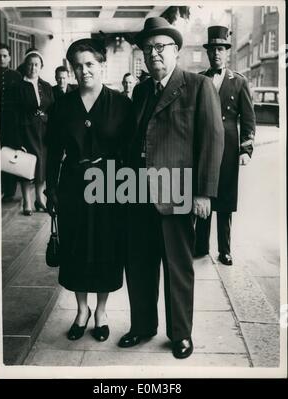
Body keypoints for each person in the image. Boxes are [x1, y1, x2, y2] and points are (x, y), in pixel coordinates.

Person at [118, 17, 224, 359]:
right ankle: (142, 326)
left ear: (176, 51)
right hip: (137, 194)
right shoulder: (141, 90)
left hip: (177, 193)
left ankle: (180, 334)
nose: (154, 54)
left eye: (161, 47)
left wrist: (203, 193)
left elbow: (212, 141)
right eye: (148, 48)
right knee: (139, 264)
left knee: (178, 268)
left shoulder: (197, 86)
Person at [45, 38, 133, 342]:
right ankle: (81, 310)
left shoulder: (121, 104)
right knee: (77, 248)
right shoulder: (63, 106)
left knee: (107, 248)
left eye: (90, 64)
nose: (84, 71)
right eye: (78, 66)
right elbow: (53, 151)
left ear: (102, 66)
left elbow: (131, 153)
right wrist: (50, 190)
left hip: (109, 188)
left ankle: (101, 311)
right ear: (71, 69)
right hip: (72, 189)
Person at [194, 26, 256, 266]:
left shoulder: (239, 82)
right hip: (204, 147)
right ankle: (200, 246)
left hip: (229, 148)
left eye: (220, 49)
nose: (216, 54)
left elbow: (248, 118)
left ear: (226, 53)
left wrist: (246, 149)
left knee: (226, 201)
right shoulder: (200, 80)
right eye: (212, 50)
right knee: (203, 192)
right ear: (208, 53)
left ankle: (225, 250)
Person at [17, 50, 54, 215]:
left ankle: (40, 198)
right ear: (25, 66)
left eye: (36, 64)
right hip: (26, 131)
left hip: (44, 132)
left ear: (41, 67)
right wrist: (17, 141)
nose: (33, 67)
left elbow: (52, 108)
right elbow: (14, 114)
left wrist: (45, 116)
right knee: (26, 165)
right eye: (30, 64)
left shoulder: (46, 86)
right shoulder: (18, 86)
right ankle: (27, 201)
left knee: (42, 165)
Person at [0, 43, 22, 201]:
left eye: (4, 56)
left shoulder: (16, 76)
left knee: (8, 154)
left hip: (11, 122)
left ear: (10, 57)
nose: (1, 59)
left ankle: (9, 191)